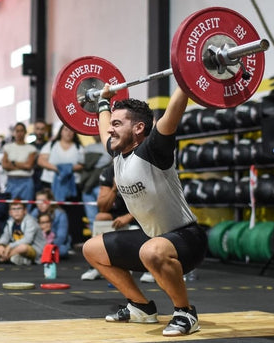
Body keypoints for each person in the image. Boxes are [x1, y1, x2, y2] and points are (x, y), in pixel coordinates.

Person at [82, 85, 207, 336]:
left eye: (118, 124)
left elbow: (172, 114)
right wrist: (104, 101)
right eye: (112, 124)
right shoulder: (117, 152)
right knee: (91, 249)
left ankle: (185, 312)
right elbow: (104, 122)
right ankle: (141, 307)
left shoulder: (153, 150)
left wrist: (186, 82)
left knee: (151, 251)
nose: (110, 129)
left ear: (138, 128)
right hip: (152, 237)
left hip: (186, 239)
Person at [81, 164, 154, 283]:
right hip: (121, 213)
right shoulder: (109, 172)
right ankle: (98, 265)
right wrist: (115, 188)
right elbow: (103, 207)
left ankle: (151, 268)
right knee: (101, 217)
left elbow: (150, 201)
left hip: (144, 210)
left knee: (150, 217)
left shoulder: (140, 169)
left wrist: (129, 216)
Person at [37, 125, 85, 245]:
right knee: (51, 210)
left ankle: (73, 240)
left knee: (73, 213)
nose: (68, 133)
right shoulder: (51, 145)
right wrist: (58, 169)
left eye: (71, 130)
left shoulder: (79, 147)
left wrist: (67, 170)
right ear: (60, 132)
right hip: (50, 182)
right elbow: (41, 160)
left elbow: (82, 164)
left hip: (72, 185)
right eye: (66, 130)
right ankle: (48, 239)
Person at [0, 201, 45, 265]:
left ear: (25, 211)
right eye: (13, 209)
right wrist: (0, 245)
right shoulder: (10, 222)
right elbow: (5, 236)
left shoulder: (30, 221)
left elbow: (28, 240)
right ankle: (17, 259)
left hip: (35, 250)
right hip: (16, 248)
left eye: (19, 208)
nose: (16, 211)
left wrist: (10, 246)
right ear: (10, 212)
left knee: (22, 247)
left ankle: (1, 258)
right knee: (0, 246)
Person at [80, 135, 112, 232]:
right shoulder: (88, 147)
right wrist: (96, 158)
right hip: (87, 185)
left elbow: (106, 160)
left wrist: (90, 159)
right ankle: (94, 238)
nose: (95, 134)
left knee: (104, 214)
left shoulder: (109, 146)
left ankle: (104, 238)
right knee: (91, 217)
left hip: (103, 185)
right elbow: (80, 160)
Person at [2, 122, 37, 208]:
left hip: (26, 181)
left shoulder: (31, 148)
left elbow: (29, 166)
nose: (19, 133)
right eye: (17, 131)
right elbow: (5, 165)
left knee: (27, 208)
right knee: (11, 207)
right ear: (14, 132)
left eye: (21, 131)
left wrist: (13, 163)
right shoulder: (8, 147)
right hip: (11, 181)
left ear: (25, 132)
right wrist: (23, 165)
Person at [30, 188, 71, 259]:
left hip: (54, 243)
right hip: (38, 243)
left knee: (63, 250)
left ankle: (42, 254)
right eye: (38, 201)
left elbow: (61, 237)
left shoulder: (60, 214)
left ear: (50, 201)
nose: (40, 204)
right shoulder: (34, 213)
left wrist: (48, 247)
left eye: (43, 201)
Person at [30, 120, 48, 193]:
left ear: (45, 130)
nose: (40, 132)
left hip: (46, 179)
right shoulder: (29, 146)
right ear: (34, 130)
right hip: (32, 178)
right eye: (37, 129)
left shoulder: (49, 145)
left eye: (42, 129)